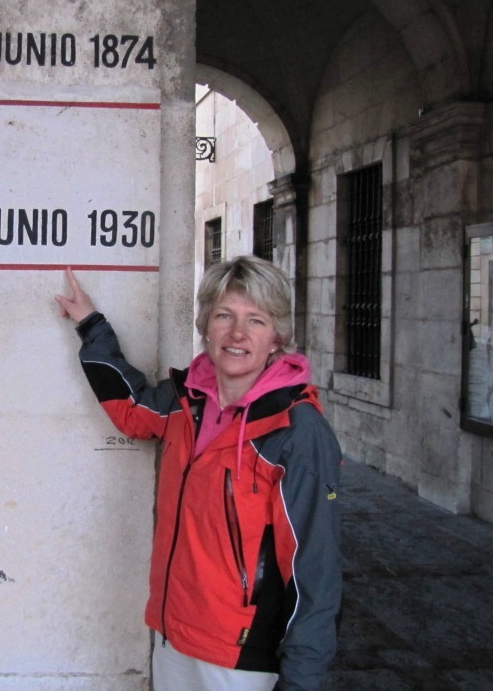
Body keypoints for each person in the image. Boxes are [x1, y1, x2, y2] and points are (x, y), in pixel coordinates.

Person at [55, 256, 342, 691]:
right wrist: (92, 325)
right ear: (206, 325)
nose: (238, 334)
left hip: (240, 659)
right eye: (224, 316)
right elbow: (132, 411)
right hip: (175, 639)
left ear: (277, 336)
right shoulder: (187, 399)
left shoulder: (297, 432)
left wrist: (301, 680)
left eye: (256, 320)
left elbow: (314, 573)